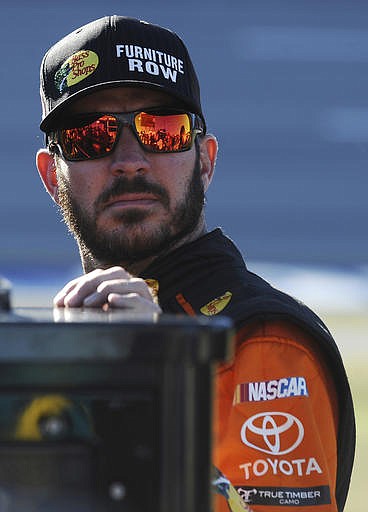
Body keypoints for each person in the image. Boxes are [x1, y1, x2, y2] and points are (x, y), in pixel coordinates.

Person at [36, 15, 355, 512]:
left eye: (161, 131)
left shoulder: (260, 338)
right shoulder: (66, 344)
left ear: (205, 161)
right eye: (90, 138)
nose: (129, 160)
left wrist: (155, 385)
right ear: (51, 177)